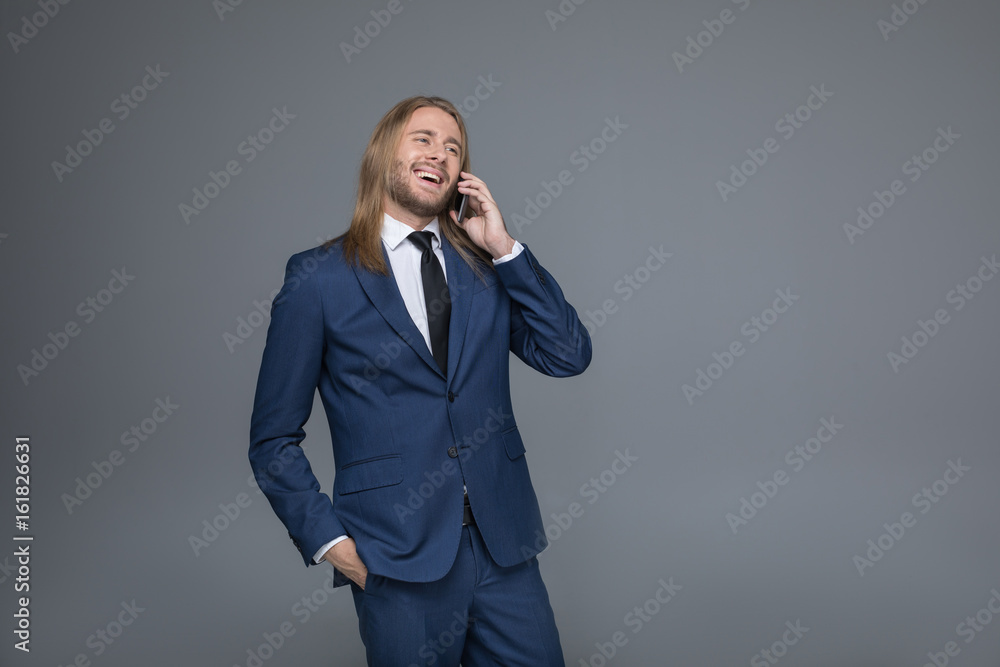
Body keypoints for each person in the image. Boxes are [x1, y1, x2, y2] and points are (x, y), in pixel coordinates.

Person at [248, 95, 591, 666]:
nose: (440, 154)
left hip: (504, 549)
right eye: (424, 139)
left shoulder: (485, 269)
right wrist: (334, 546)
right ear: (384, 153)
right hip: (395, 558)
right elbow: (272, 441)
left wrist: (505, 249)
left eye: (453, 148)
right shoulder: (318, 279)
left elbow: (568, 354)